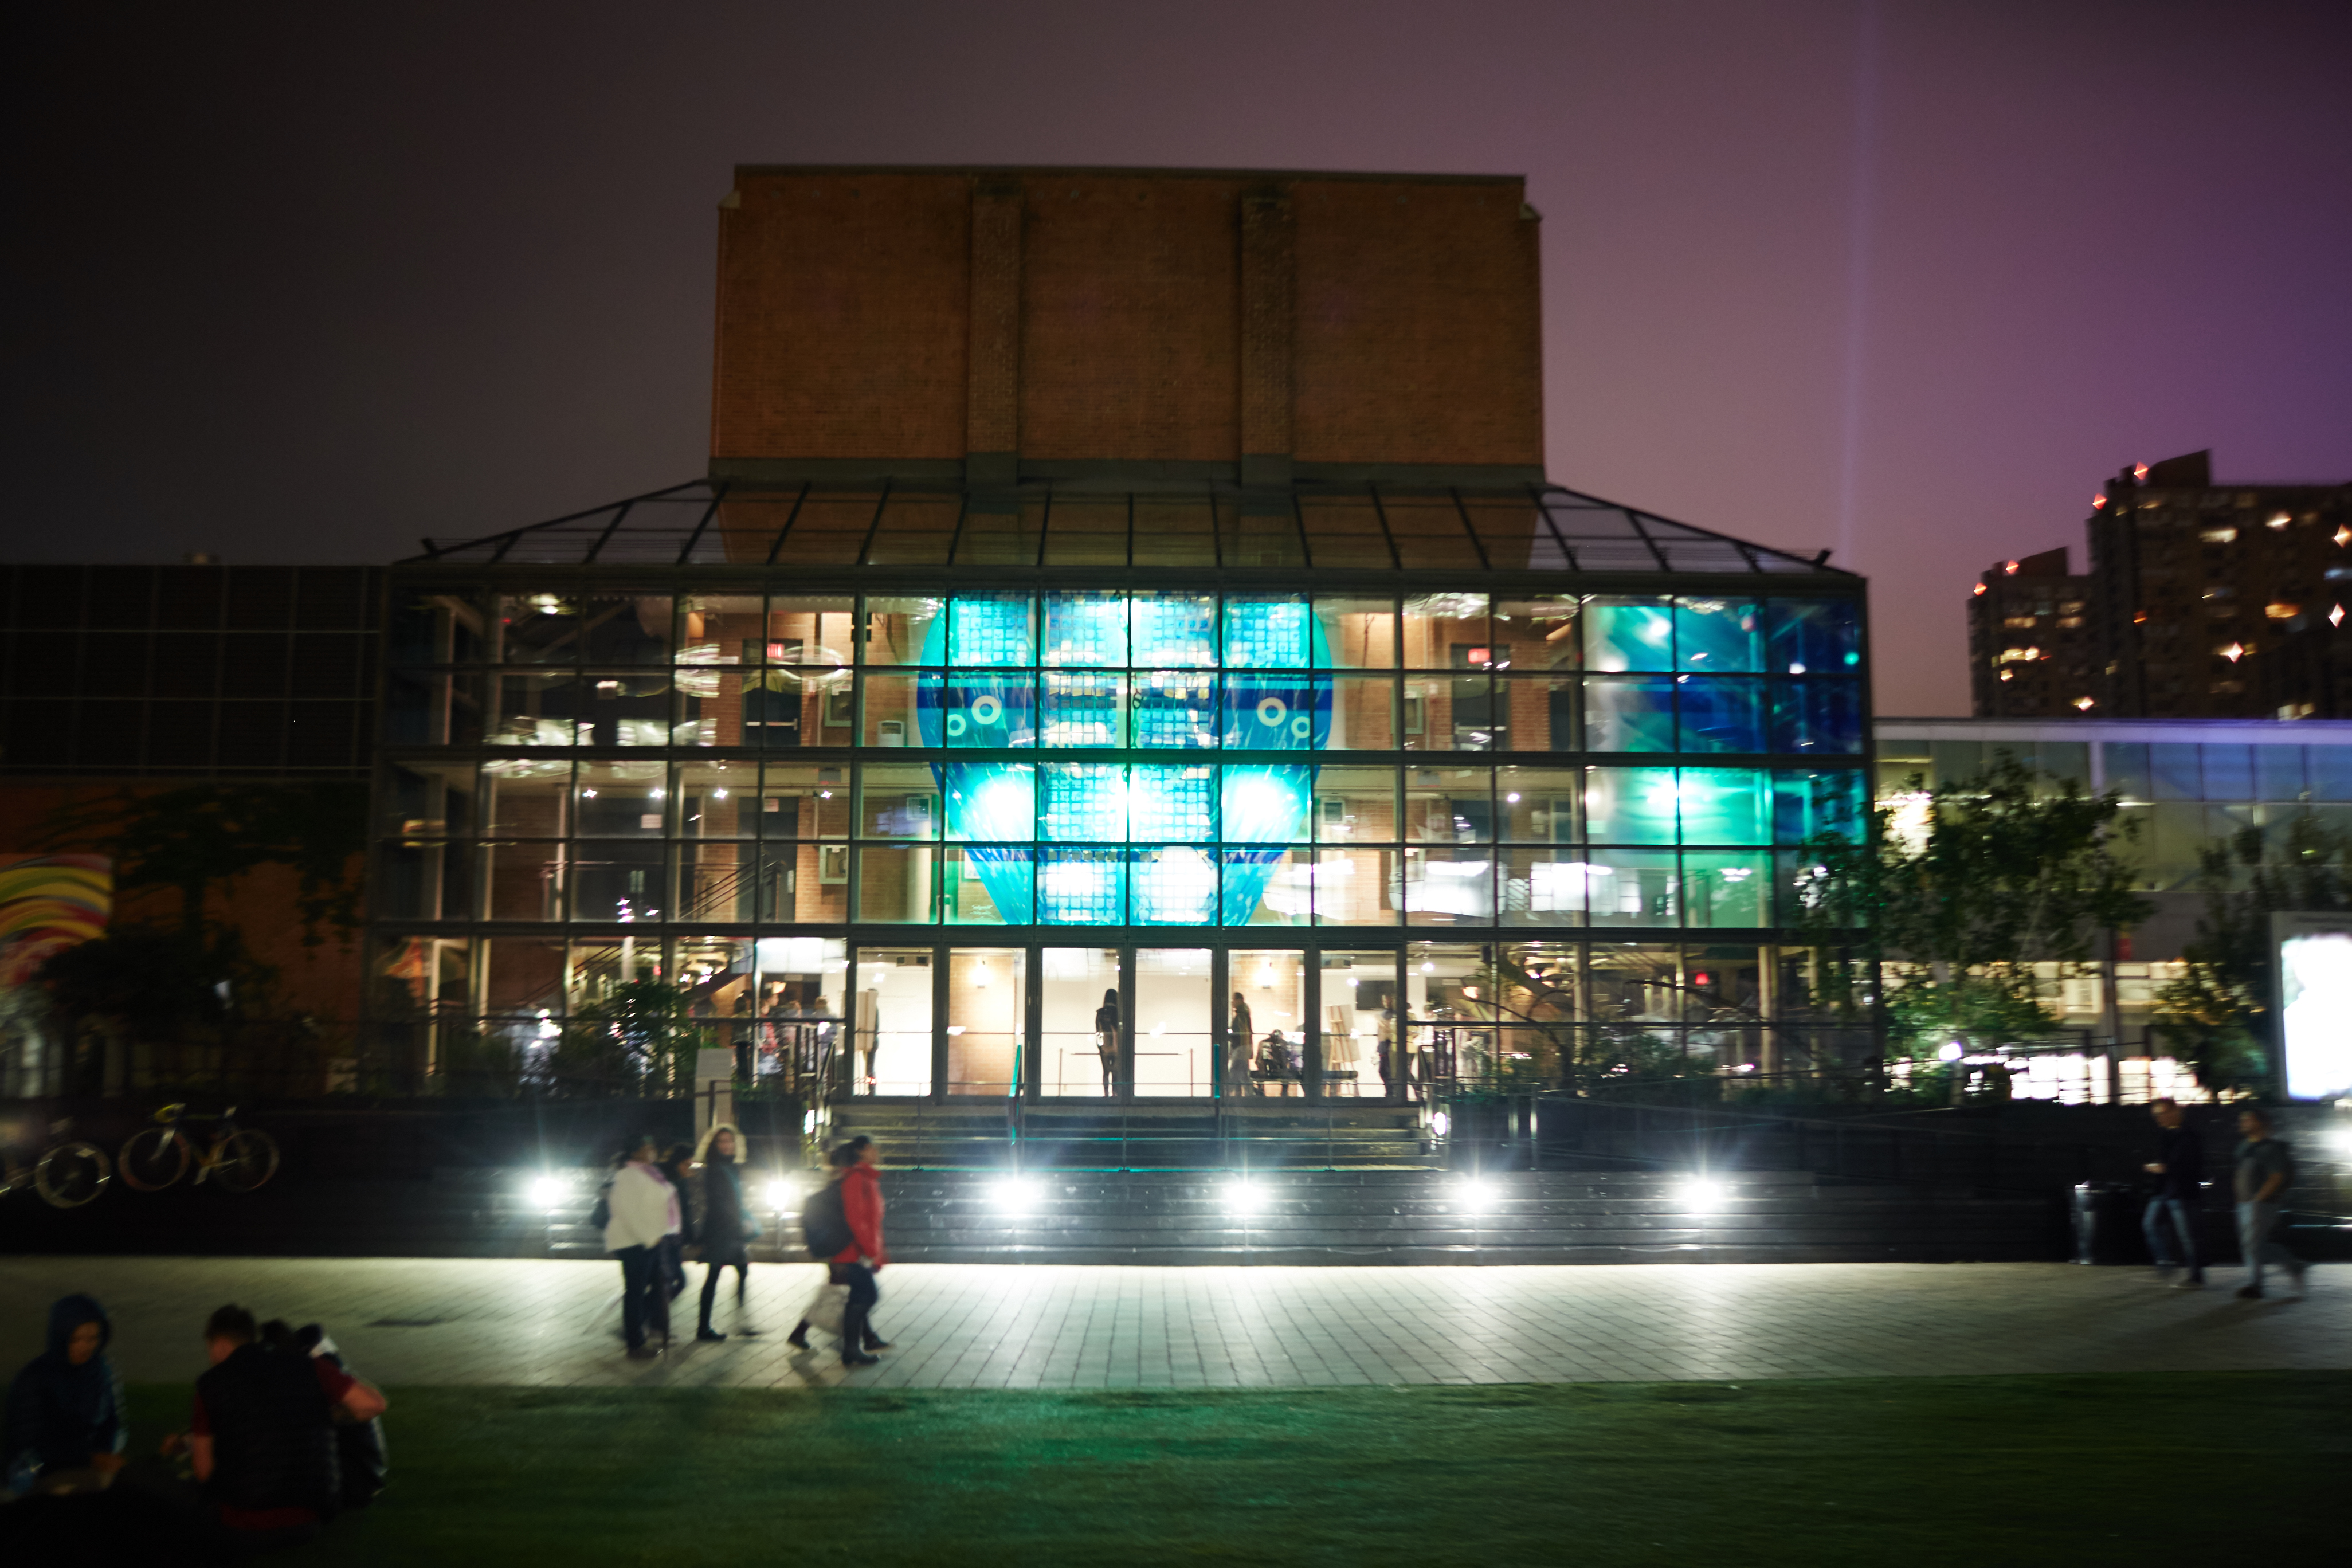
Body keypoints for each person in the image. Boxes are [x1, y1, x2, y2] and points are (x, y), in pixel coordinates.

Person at [150, 1303, 388, 1557]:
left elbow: (204, 1472)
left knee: (145, 1479)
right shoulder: (310, 1367)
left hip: (242, 1524)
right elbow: (373, 1404)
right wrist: (318, 1413)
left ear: (218, 1345)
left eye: (210, 1350)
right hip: (311, 1520)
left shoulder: (212, 1384)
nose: (211, 1358)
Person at [3, 1293, 125, 1499]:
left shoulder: (100, 1371)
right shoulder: (35, 1378)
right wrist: (89, 1458)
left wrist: (105, 1452)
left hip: (88, 1467)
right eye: (76, 1339)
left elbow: (111, 1421)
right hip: (38, 1473)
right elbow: (29, 1445)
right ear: (61, 1337)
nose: (86, 1347)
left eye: (93, 1338)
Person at [786, 1136, 892, 1367]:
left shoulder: (864, 1178)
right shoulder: (855, 1178)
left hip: (857, 1250)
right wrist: (871, 1248)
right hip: (850, 1252)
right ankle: (853, 1348)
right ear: (862, 1151)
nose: (877, 1152)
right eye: (873, 1148)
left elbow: (871, 1219)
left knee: (853, 1297)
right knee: (865, 1296)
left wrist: (875, 1249)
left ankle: (856, 1346)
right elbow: (856, 1218)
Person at [606, 1135, 680, 1359]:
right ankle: (635, 1342)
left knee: (654, 1288)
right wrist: (650, 1238)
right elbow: (627, 1213)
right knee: (636, 1292)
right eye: (649, 1147)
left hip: (651, 1240)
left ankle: (645, 1333)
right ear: (636, 1153)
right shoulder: (629, 1175)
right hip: (635, 1243)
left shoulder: (649, 1173)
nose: (653, 1150)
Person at [691, 1122, 760, 1342]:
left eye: (730, 1141)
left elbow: (734, 1199)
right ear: (715, 1145)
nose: (727, 1145)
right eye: (722, 1141)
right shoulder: (715, 1169)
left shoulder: (730, 1167)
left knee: (741, 1271)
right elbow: (720, 1202)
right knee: (714, 1276)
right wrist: (739, 1222)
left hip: (729, 1230)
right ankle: (705, 1327)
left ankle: (739, 1321)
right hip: (721, 1231)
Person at [2232, 1106, 2308, 1300]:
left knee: (2253, 1244)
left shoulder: (2270, 1148)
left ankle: (2256, 1285)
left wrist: (2258, 1200)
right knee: (2253, 1245)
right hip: (2244, 1203)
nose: (2242, 1123)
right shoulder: (2243, 1146)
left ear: (2259, 1123)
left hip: (2261, 1204)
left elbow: (2276, 1177)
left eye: (2247, 1119)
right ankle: (2294, 1265)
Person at [2141, 1097, 2205, 1288]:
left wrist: (2164, 1168)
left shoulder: (2188, 1135)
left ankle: (2195, 1276)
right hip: (2165, 1190)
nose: (2159, 1118)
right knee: (2150, 1224)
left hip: (2181, 1191)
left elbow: (2189, 1165)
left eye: (2162, 1114)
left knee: (2187, 1235)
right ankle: (2166, 1262)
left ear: (2175, 1112)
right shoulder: (2166, 1134)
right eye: (2156, 1115)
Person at [658, 1142, 697, 1301]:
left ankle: (651, 1314)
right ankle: (649, 1314)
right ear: (677, 1163)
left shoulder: (678, 1181)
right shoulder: (668, 1183)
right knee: (674, 1281)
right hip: (665, 1241)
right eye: (686, 1164)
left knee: (672, 1282)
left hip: (673, 1240)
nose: (689, 1168)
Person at [1227, 993, 1254, 1099]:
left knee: (1235, 1072)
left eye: (1233, 1000)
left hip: (1241, 1048)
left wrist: (1230, 1037)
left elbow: (1240, 1034)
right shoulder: (1244, 1014)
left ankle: (1227, 1094)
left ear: (1239, 1000)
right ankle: (1247, 1095)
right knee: (1243, 1073)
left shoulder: (1241, 1016)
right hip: (1244, 1047)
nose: (1232, 1002)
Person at [1095, 987, 1120, 1097]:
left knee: (1105, 1071)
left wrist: (1101, 1046)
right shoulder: (1118, 1012)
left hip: (1104, 1046)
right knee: (1115, 1071)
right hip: (1116, 1047)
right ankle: (1115, 1094)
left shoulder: (1100, 1013)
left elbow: (1098, 1030)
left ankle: (1106, 1094)